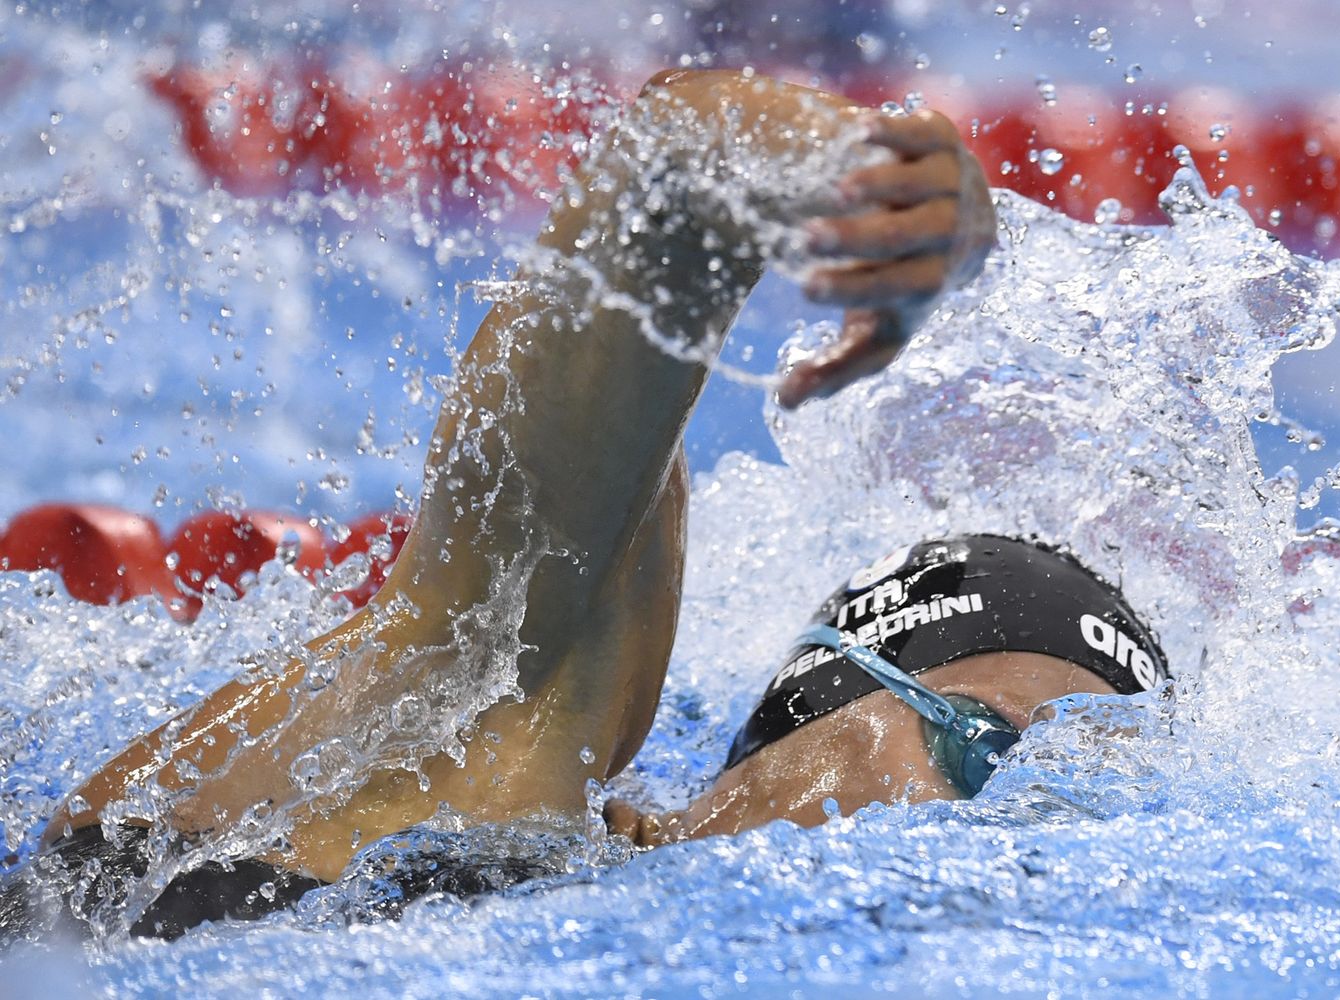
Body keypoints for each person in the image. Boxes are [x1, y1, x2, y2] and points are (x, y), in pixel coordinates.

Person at [8, 67, 1167, 939]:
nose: (1006, 845)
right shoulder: (489, 711)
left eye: (1080, 814)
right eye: (977, 754)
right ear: (776, 743)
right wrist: (874, 179)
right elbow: (670, 163)